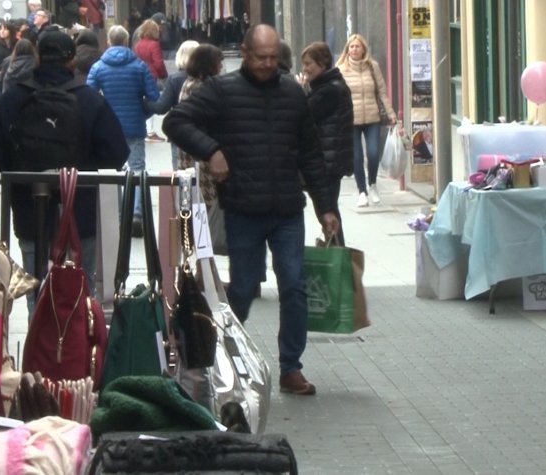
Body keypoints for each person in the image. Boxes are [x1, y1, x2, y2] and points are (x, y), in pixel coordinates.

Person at [163, 24, 340, 396]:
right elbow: (174, 121)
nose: (268, 64)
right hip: (243, 208)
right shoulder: (221, 90)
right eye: (261, 57)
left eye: (274, 57)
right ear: (244, 53)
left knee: (294, 287)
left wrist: (326, 208)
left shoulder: (293, 93)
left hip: (287, 209)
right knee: (242, 290)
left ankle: (291, 367)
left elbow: (310, 155)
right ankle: (223, 359)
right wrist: (211, 151)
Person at [0, 29, 129, 313]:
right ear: (72, 60)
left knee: (36, 290)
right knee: (80, 287)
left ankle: (40, 336)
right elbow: (117, 154)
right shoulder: (90, 101)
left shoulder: (11, 100)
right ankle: (77, 338)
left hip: (29, 211)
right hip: (80, 212)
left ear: (37, 57)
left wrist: (23, 165)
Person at [87, 25, 159, 237]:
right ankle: (136, 213)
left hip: (109, 127)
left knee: (113, 171)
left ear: (109, 42)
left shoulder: (98, 67)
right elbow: (153, 96)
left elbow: (90, 96)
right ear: (127, 42)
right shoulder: (139, 66)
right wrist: (142, 112)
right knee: (136, 170)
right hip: (134, 124)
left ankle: (118, 214)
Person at [297, 41, 354, 246]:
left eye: (308, 64)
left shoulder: (328, 91)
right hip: (330, 160)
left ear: (322, 63)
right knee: (328, 211)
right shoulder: (329, 86)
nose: (305, 69)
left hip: (327, 162)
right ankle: (337, 252)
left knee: (328, 212)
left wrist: (301, 91)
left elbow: (304, 115)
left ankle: (338, 255)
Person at [336, 33, 397, 208]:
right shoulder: (341, 69)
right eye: (351, 47)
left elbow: (382, 92)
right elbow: (336, 95)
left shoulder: (372, 66)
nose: (354, 49)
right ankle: (362, 191)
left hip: (372, 118)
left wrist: (391, 114)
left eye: (357, 46)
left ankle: (373, 184)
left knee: (373, 153)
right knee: (356, 157)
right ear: (347, 50)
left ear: (363, 49)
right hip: (351, 119)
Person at [176, 43, 224, 208]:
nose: (221, 66)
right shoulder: (202, 87)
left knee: (190, 202)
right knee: (205, 205)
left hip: (189, 153)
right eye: (218, 62)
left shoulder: (188, 83)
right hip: (202, 156)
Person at [144, 39, 199, 169]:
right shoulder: (208, 78)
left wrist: (145, 102)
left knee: (180, 173)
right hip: (201, 132)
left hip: (179, 132)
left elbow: (161, 107)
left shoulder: (175, 79)